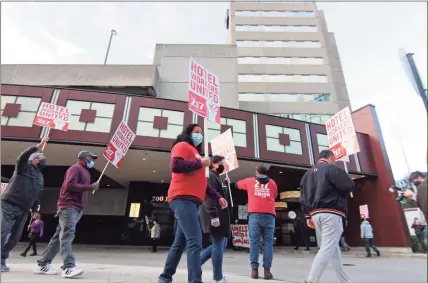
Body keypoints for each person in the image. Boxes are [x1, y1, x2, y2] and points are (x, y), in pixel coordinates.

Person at [158, 124, 228, 283]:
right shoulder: (181, 146)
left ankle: (165, 277)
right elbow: (175, 166)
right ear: (188, 133)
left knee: (180, 242)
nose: (200, 135)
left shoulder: (197, 154)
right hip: (182, 197)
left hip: (192, 201)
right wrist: (200, 163)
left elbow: (203, 183)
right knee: (195, 241)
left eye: (202, 133)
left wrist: (218, 197)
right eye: (197, 132)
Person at [34, 151, 100, 278]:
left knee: (59, 237)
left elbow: (79, 187)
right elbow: (70, 185)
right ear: (85, 158)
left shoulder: (84, 171)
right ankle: (68, 267)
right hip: (69, 207)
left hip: (75, 208)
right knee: (67, 236)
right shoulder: (75, 169)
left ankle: (43, 264)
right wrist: (90, 186)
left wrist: (89, 187)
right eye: (92, 158)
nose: (93, 160)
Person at [300, 150, 354, 283]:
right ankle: (310, 281)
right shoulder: (332, 169)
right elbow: (348, 186)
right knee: (327, 248)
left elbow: (303, 198)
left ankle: (345, 281)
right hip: (331, 212)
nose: (334, 162)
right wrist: (348, 178)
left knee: (333, 250)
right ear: (330, 158)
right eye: (334, 160)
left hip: (315, 214)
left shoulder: (306, 175)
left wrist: (307, 216)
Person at [1, 137, 49, 272]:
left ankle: (2, 257)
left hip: (24, 209)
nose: (44, 160)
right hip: (9, 203)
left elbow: (38, 194)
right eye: (41, 157)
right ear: (34, 159)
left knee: (15, 237)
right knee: (3, 232)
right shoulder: (24, 166)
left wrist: (35, 208)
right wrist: (36, 147)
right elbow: (21, 157)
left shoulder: (40, 177)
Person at [236, 165, 278, 280]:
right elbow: (274, 195)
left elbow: (237, 184)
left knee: (254, 242)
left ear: (256, 172)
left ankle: (254, 271)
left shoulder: (250, 181)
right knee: (268, 243)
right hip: (269, 215)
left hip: (254, 215)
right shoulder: (273, 183)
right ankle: (267, 272)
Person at [199, 155, 231, 283]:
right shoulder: (210, 177)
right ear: (212, 164)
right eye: (220, 163)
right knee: (218, 244)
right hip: (214, 214)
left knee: (220, 244)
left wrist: (225, 185)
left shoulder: (215, 177)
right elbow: (209, 197)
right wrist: (213, 215)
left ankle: (195, 264)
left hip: (219, 214)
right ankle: (218, 277)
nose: (222, 165)